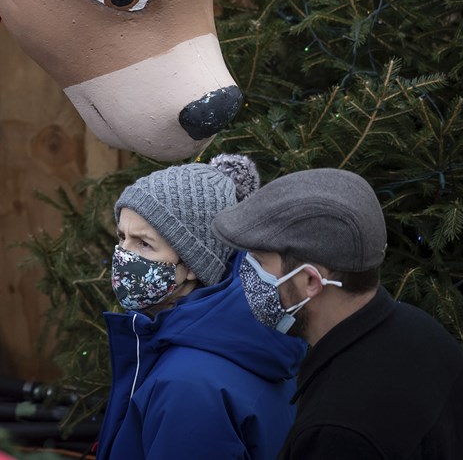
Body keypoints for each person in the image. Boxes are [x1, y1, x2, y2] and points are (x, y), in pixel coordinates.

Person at [211, 167, 463, 459]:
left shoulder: (337, 431)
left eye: (260, 261)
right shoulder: (424, 332)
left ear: (311, 281)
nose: (246, 272)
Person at [95, 154, 305, 460]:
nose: (122, 256)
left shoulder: (188, 386)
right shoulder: (242, 335)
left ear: (194, 263)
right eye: (122, 237)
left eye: (144, 244)